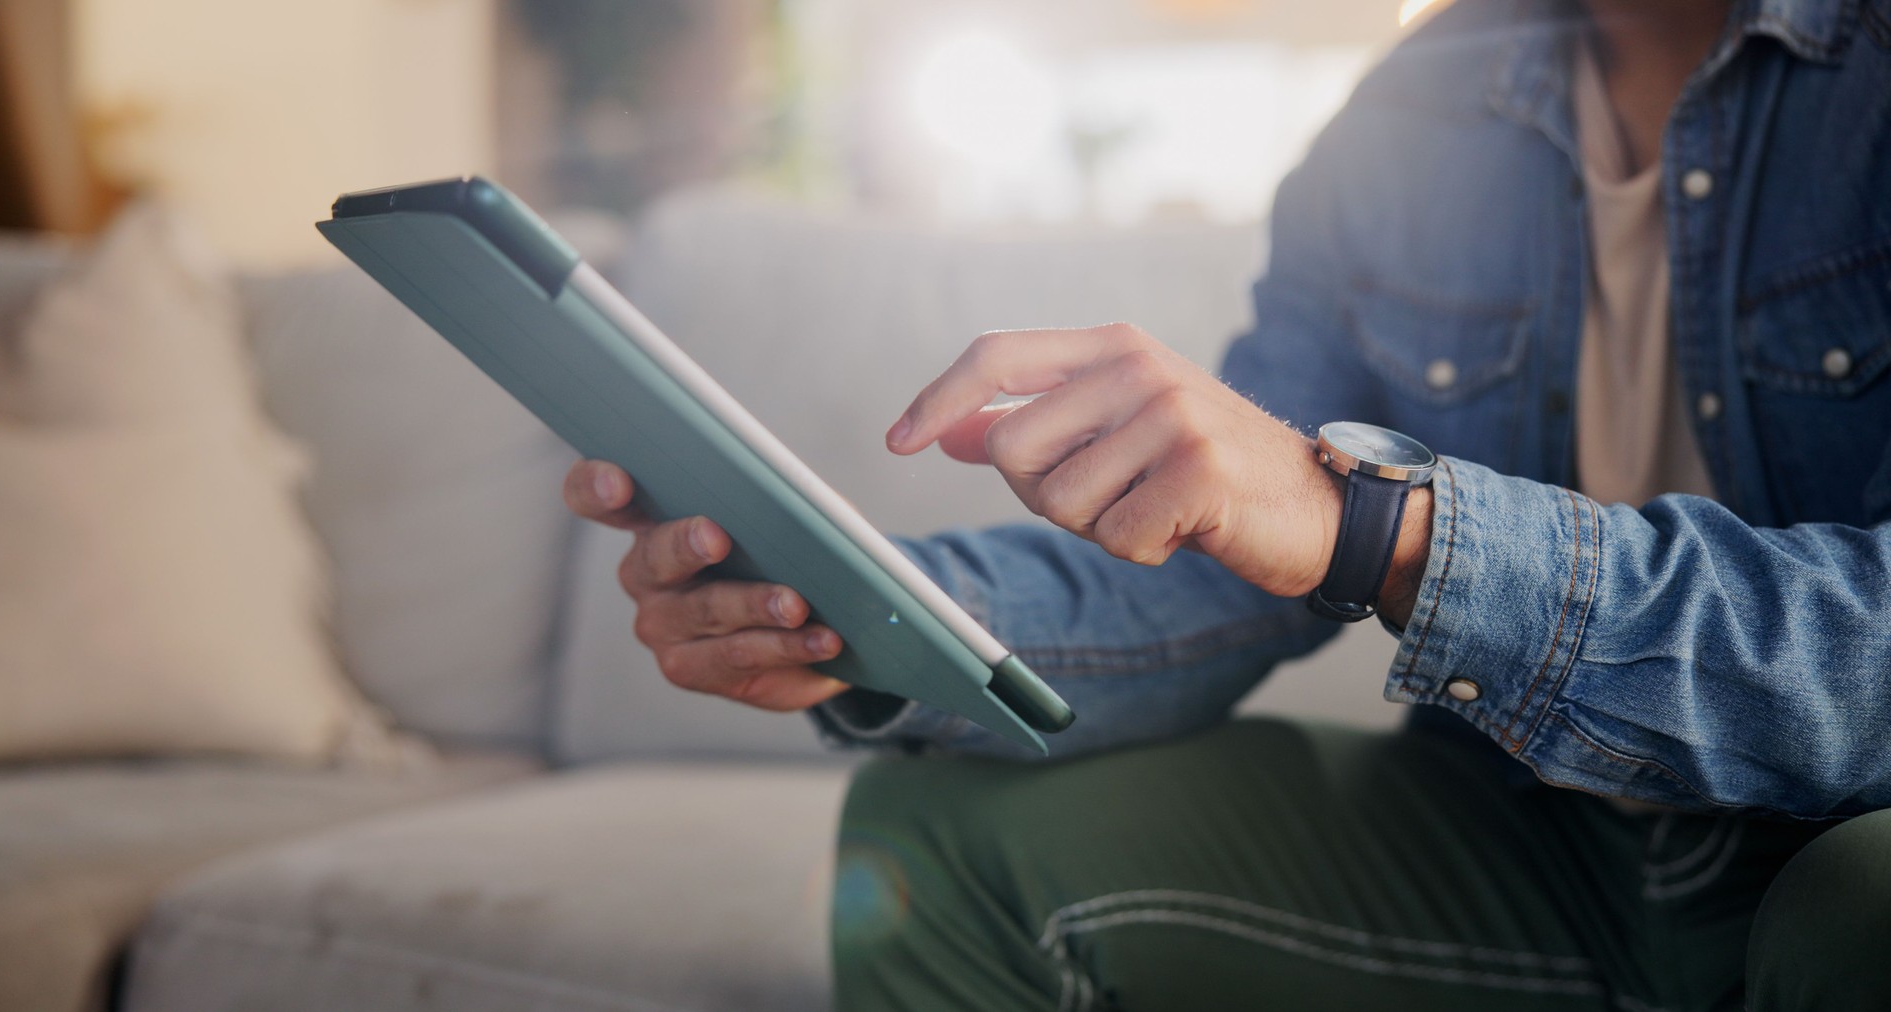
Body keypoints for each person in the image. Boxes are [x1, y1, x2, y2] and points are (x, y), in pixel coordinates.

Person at [560, 0, 1891, 1007]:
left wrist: (1381, 529)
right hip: (1534, 835)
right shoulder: (1407, 121)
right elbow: (1221, 563)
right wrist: (855, 613)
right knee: (938, 833)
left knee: (1858, 901)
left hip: (1829, 850)